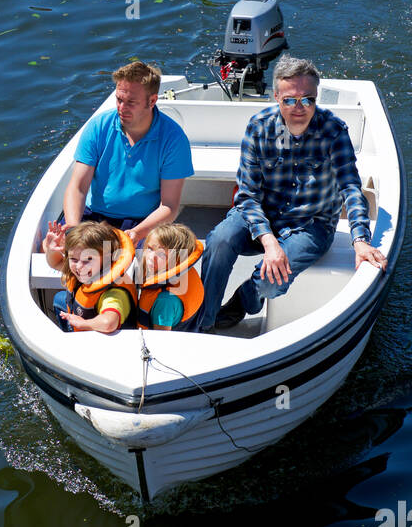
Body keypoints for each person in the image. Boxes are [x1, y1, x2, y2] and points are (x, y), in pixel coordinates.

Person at [197, 55, 388, 332]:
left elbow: (350, 186)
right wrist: (269, 242)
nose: (299, 107)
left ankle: (242, 301)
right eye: (289, 100)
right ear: (276, 97)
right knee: (220, 239)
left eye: (307, 99)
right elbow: (247, 195)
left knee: (271, 278)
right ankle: (204, 320)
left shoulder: (333, 131)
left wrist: (360, 239)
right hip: (263, 213)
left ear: (316, 97)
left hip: (310, 225)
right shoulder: (259, 127)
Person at [63, 61, 193, 245]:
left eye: (131, 102)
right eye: (119, 99)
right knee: (57, 251)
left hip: (141, 223)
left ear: (152, 101)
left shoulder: (174, 139)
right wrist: (73, 229)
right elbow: (78, 187)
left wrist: (136, 234)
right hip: (92, 217)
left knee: (149, 264)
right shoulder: (98, 127)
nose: (122, 108)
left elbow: (169, 206)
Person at [43, 219, 136, 333]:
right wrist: (52, 250)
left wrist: (83, 323)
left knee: (60, 299)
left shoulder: (114, 293)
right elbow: (55, 263)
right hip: (78, 320)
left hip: (103, 342)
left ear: (106, 258)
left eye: (88, 260)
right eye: (74, 259)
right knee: (59, 298)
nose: (79, 266)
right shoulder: (83, 269)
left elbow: (109, 323)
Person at [135, 222, 204, 331]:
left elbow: (161, 340)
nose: (151, 257)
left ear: (177, 259)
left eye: (162, 254)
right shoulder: (186, 271)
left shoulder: (165, 301)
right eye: (150, 249)